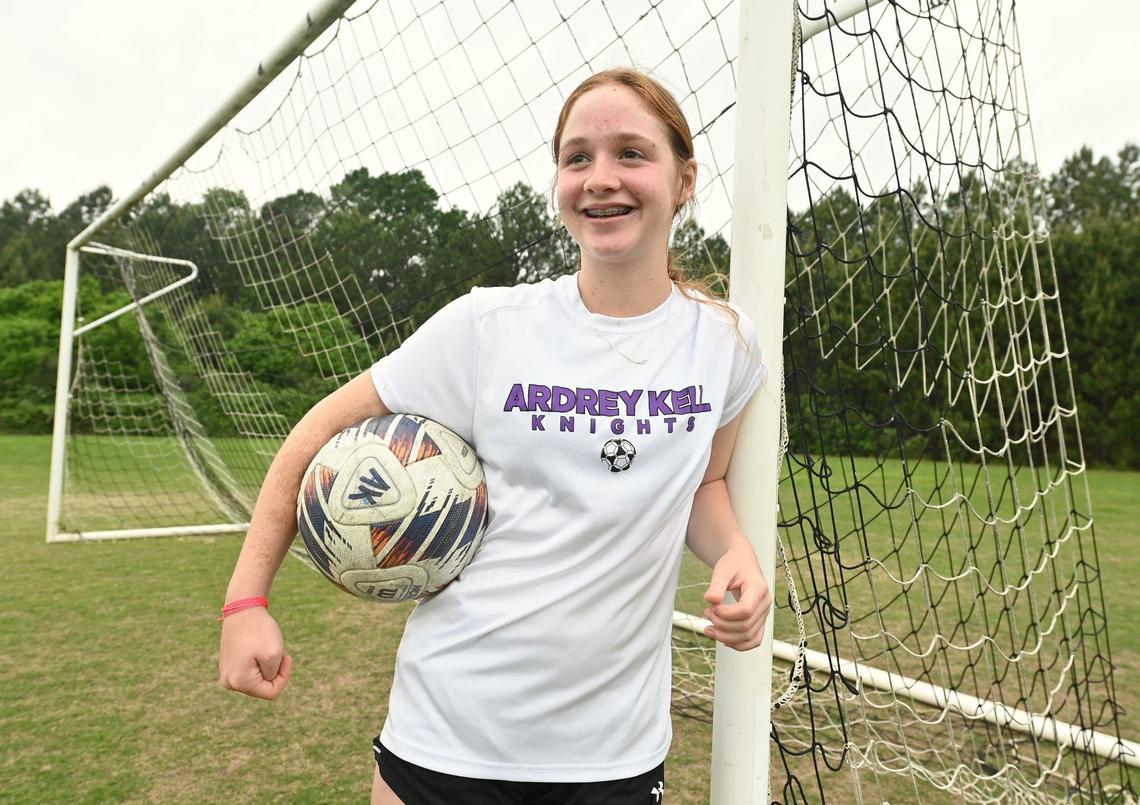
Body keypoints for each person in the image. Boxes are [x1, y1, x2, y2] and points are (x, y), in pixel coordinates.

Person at [218, 67, 773, 804]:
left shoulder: (726, 346)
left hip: (613, 756)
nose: (600, 178)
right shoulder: (486, 328)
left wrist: (734, 551)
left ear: (684, 178)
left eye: (631, 154)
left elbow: (702, 482)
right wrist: (245, 602)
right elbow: (316, 432)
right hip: (446, 735)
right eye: (577, 158)